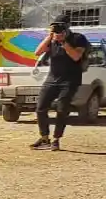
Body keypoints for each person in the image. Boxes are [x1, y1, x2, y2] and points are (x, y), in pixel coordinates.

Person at [32, 18, 88, 151]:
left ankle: (56, 139)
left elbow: (76, 57)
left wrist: (63, 42)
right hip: (52, 78)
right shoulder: (52, 39)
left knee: (62, 109)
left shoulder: (78, 38)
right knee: (40, 108)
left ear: (67, 27)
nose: (57, 30)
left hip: (70, 80)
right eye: (54, 27)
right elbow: (37, 52)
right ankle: (44, 137)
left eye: (59, 27)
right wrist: (50, 36)